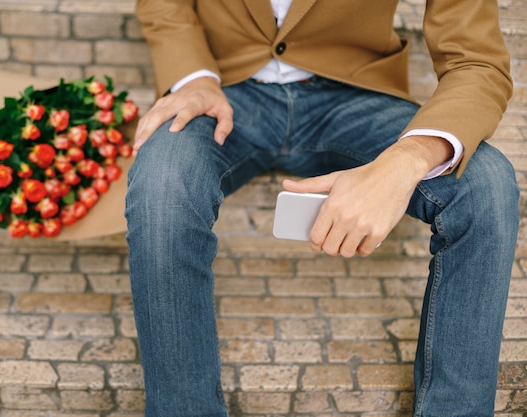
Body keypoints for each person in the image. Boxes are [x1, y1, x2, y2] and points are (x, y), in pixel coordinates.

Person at [124, 1, 519, 416]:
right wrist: (194, 76)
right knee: (161, 180)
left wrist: (411, 157)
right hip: (225, 88)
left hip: (356, 92)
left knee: (486, 184)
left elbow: (477, 60)